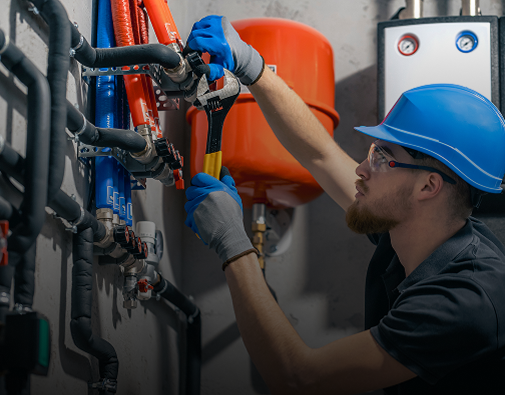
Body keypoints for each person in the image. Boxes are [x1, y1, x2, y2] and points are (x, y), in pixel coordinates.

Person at [183, 15, 505, 394]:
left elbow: (299, 378)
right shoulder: (414, 228)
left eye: (383, 157)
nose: (362, 168)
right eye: (374, 151)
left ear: (429, 186)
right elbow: (319, 154)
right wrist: (252, 66)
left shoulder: (464, 300)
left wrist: (233, 243)